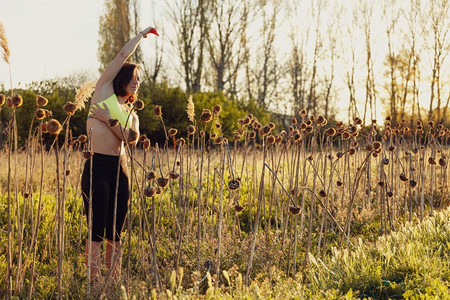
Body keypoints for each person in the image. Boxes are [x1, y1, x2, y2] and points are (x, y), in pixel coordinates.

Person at [81, 26, 158, 280]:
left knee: (116, 229)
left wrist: (108, 121)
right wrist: (140, 36)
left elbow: (131, 139)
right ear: (121, 77)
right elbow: (121, 56)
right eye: (134, 77)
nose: (137, 82)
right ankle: (93, 279)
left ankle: (111, 280)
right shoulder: (103, 92)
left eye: (140, 79)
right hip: (97, 167)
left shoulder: (132, 115)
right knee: (97, 226)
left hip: (120, 170)